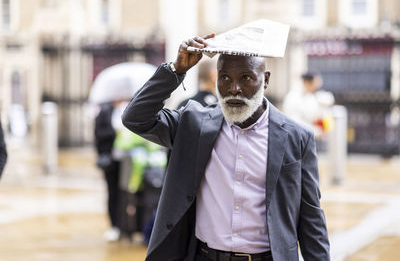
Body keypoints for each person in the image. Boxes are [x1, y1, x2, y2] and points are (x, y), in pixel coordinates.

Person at [122, 34, 330, 261]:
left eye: (246, 78)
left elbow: (311, 218)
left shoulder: (296, 137)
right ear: (216, 80)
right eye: (225, 78)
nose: (235, 89)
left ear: (265, 79)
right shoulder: (193, 125)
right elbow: (136, 117)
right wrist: (176, 70)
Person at [94, 101, 121, 241]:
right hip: (111, 160)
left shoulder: (129, 107)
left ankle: (127, 226)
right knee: (113, 192)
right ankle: (114, 225)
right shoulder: (105, 111)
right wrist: (116, 133)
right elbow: (99, 135)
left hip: (127, 159)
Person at [283, 73, 334, 139]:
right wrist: (315, 131)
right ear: (307, 83)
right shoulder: (293, 97)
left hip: (306, 137)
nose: (316, 88)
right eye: (314, 85)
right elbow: (294, 121)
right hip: (295, 137)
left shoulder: (310, 96)